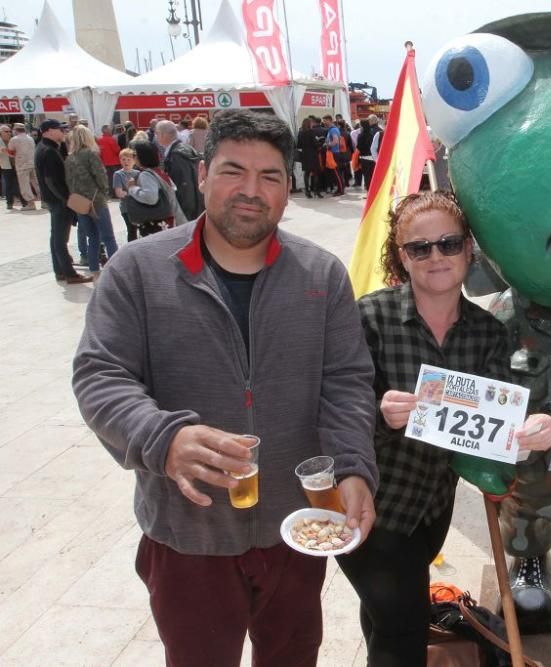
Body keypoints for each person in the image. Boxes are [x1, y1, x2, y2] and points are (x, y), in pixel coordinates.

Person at [72, 109, 379, 667]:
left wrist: (354, 466)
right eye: (234, 171)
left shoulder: (321, 274)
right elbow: (101, 374)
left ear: (289, 187)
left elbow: (346, 382)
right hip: (188, 534)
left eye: (270, 177)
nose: (251, 191)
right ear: (203, 174)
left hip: (294, 531)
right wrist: (163, 439)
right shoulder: (138, 271)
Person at [339, 190, 551, 665]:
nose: (436, 256)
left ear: (468, 250)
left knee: (385, 616)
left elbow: (496, 428)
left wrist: (532, 431)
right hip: (370, 505)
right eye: (420, 248)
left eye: (448, 243)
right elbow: (335, 402)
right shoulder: (370, 316)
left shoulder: (487, 332)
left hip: (431, 507)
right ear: (401, 257)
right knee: (403, 631)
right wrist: (379, 407)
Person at [35, 120, 91, 284]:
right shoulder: (49, 151)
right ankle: (69, 273)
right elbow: (51, 180)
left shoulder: (46, 147)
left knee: (56, 237)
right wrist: (66, 200)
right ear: (48, 131)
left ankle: (60, 270)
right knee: (60, 238)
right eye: (60, 129)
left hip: (54, 199)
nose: (64, 132)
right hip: (59, 200)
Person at [65, 125, 119, 277]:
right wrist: (104, 192)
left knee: (92, 237)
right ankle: (115, 268)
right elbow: (100, 176)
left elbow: (68, 181)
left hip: (79, 202)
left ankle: (94, 268)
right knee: (108, 236)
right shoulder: (90, 154)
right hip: (96, 200)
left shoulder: (70, 157)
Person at [126, 141, 187, 236]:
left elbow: (151, 198)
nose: (134, 157)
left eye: (135, 154)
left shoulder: (146, 175)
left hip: (156, 224)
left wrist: (132, 188)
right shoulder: (159, 172)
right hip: (171, 219)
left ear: (142, 156)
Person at [156, 120, 206, 221]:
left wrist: (183, 214)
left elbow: (183, 185)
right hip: (197, 206)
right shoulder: (186, 149)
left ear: (162, 134)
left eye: (156, 133)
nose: (156, 137)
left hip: (187, 211)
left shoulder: (176, 155)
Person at [9, 122, 39, 209]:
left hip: (22, 165)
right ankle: (45, 200)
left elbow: (11, 152)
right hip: (32, 163)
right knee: (36, 183)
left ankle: (30, 203)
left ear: (15, 130)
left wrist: (4, 151)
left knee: (24, 185)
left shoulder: (14, 139)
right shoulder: (30, 138)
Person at [113, 148, 140, 241]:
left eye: (129, 159)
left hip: (138, 206)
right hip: (126, 207)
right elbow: (119, 193)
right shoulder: (118, 174)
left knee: (140, 229)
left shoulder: (138, 173)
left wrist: (129, 192)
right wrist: (135, 192)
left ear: (134, 161)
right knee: (132, 230)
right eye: (123, 159)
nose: (126, 162)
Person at [1, 124, 28, 210]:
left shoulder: (14, 140)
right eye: (6, 131)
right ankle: (9, 203)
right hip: (6, 166)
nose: (9, 133)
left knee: (20, 184)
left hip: (17, 165)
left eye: (9, 131)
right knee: (9, 185)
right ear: (1, 132)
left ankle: (24, 202)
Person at [296, 117, 323, 199]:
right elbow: (316, 144)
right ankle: (316, 191)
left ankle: (307, 192)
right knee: (315, 173)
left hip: (305, 155)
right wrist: (319, 142)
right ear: (309, 124)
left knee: (306, 173)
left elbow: (298, 145)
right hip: (313, 154)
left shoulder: (300, 132)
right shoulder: (311, 132)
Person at [357, 115, 383, 191]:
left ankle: (369, 191)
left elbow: (359, 147)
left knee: (367, 176)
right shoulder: (381, 131)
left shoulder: (364, 133)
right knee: (375, 175)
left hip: (366, 157)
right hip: (377, 157)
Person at [96, 125, 122, 197]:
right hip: (114, 163)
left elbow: (98, 152)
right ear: (106, 131)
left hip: (105, 163)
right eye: (110, 129)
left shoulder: (99, 140)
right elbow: (117, 150)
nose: (111, 131)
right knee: (115, 179)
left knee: (108, 179)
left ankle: (110, 193)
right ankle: (116, 194)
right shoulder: (111, 139)